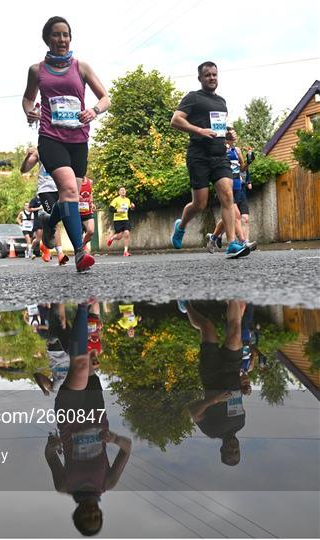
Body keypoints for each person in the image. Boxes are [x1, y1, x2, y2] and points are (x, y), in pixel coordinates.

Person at [23, 16, 110, 272]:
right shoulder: (37, 70)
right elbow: (28, 99)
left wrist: (94, 111)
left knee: (69, 195)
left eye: (65, 35)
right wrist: (30, 111)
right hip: (50, 138)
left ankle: (49, 223)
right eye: (56, 35)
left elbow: (105, 97)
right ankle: (80, 253)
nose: (62, 40)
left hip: (78, 139)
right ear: (47, 39)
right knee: (70, 190)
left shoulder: (81, 67)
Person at [45, 303, 131, 536]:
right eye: (97, 517)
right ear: (101, 514)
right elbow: (127, 448)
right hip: (96, 410)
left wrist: (52, 446)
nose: (92, 513)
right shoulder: (108, 483)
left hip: (69, 416)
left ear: (77, 515)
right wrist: (114, 439)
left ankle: (83, 305)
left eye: (87, 518)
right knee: (84, 359)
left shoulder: (64, 486)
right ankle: (60, 331)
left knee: (81, 365)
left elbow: (50, 455)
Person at [170, 62, 250, 259]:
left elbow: (218, 128)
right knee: (200, 204)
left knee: (227, 195)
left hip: (219, 156)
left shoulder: (222, 102)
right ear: (200, 78)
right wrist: (199, 130)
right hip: (199, 156)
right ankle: (181, 225)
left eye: (214, 75)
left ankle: (232, 243)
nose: (212, 78)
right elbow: (176, 120)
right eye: (208, 75)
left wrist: (228, 135)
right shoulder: (193, 98)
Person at [180, 300, 251, 466]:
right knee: (235, 334)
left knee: (208, 328)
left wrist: (213, 400)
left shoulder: (212, 431)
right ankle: (232, 294)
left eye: (229, 451)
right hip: (232, 370)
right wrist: (244, 386)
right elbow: (235, 397)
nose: (233, 448)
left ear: (222, 450)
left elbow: (193, 412)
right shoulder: (241, 423)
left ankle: (186, 306)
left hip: (211, 375)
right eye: (236, 451)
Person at [206, 128, 256, 253]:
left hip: (238, 185)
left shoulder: (237, 150)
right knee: (236, 214)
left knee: (230, 216)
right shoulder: (220, 149)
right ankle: (243, 242)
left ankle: (213, 237)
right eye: (232, 133)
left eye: (235, 132)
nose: (235, 134)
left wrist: (249, 161)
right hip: (226, 184)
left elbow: (242, 168)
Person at [20, 147, 68, 265]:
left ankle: (45, 244)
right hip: (46, 190)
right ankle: (60, 253)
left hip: (62, 188)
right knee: (55, 221)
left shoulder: (65, 148)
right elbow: (23, 170)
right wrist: (27, 156)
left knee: (66, 219)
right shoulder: (39, 151)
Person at [107, 187, 135, 257]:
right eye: (121, 190)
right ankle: (112, 238)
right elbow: (110, 208)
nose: (123, 191)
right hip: (117, 220)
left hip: (125, 219)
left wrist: (132, 207)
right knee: (119, 236)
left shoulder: (127, 200)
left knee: (127, 233)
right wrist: (117, 210)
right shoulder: (116, 200)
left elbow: (130, 208)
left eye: (124, 190)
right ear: (119, 192)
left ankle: (126, 251)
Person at [79, 176, 96, 250]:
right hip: (77, 213)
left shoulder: (90, 182)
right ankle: (81, 250)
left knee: (91, 231)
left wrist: (92, 203)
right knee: (78, 235)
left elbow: (90, 194)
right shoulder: (74, 182)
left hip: (87, 211)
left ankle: (82, 245)